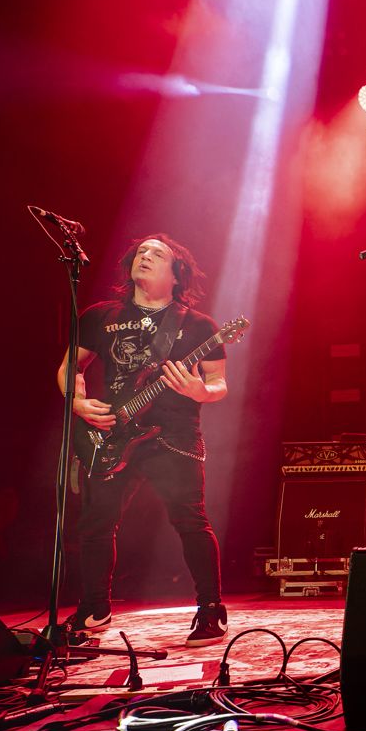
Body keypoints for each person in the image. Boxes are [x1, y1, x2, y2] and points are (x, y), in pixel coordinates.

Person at [56, 233, 228, 644]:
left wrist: (199, 391)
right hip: (111, 433)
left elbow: (219, 384)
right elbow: (68, 369)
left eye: (158, 253)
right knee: (96, 524)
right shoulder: (99, 315)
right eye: (140, 251)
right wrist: (78, 404)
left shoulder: (198, 325)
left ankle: (210, 609)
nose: (144, 256)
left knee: (190, 519)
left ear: (176, 273)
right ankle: (94, 608)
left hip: (174, 434)